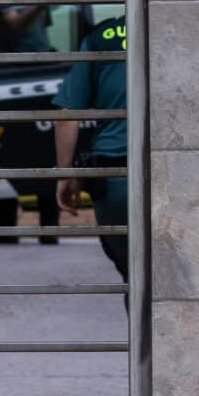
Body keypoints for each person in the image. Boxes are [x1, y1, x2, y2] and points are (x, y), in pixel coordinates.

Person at [0, 0, 62, 242]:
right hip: (13, 82)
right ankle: (4, 230)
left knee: (45, 150)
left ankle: (49, 230)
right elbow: (14, 24)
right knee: (10, 149)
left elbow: (40, 37)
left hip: (40, 78)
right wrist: (45, 2)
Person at [55, 14, 130, 280]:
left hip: (115, 178)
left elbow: (68, 113)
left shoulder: (102, 37)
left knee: (133, 276)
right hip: (173, 173)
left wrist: (64, 174)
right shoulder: (176, 30)